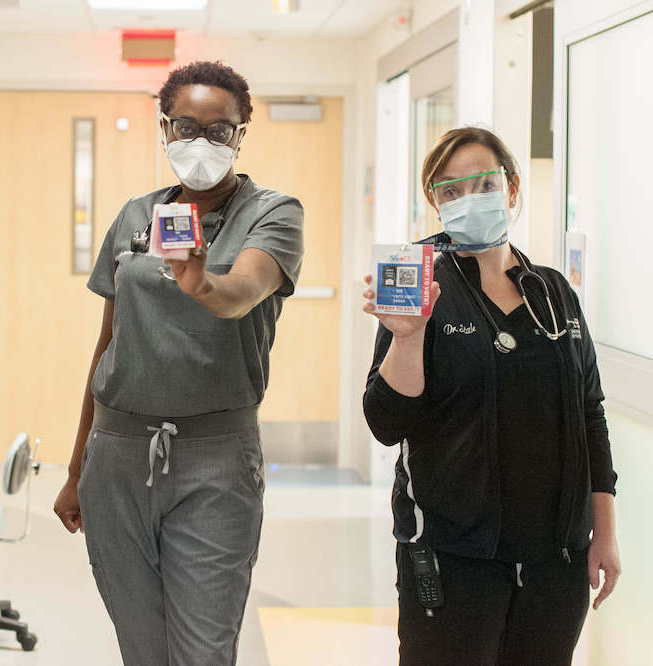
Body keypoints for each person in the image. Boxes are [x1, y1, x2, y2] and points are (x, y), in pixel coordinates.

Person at [53, 60, 304, 665]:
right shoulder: (136, 215)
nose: (200, 142)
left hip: (213, 460)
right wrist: (76, 461)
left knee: (202, 651)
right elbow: (109, 342)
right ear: (164, 128)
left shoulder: (273, 213)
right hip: (115, 455)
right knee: (141, 649)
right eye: (186, 126)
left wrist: (199, 281)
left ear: (241, 134)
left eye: (219, 130)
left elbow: (240, 292)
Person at [362, 127, 620, 664]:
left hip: (556, 561)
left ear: (513, 187)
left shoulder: (553, 290)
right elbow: (386, 422)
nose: (467, 199)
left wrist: (604, 532)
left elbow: (589, 416)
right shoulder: (421, 283)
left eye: (482, 183)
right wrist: (408, 339)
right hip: (452, 556)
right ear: (433, 202)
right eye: (449, 190)